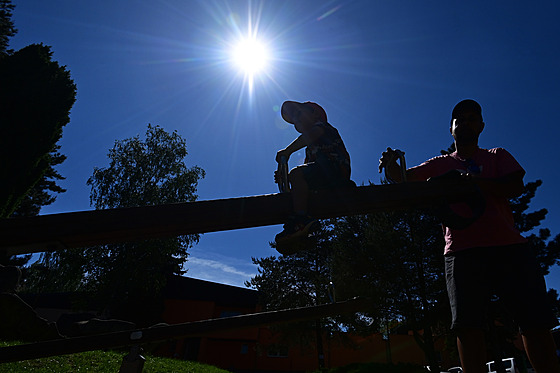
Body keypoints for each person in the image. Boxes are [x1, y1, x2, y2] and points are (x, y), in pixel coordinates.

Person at [378, 99, 560, 373]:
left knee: (534, 323)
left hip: (509, 247)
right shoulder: (439, 164)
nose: (465, 123)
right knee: (467, 326)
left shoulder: (497, 155)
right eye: (459, 120)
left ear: (482, 126)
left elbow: (514, 185)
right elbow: (402, 177)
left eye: (471, 119)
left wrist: (471, 183)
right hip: (462, 251)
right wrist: (391, 164)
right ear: (450, 129)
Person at [274, 100, 351, 251]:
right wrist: (286, 179)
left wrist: (288, 151)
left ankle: (302, 218)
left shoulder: (322, 127)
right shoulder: (311, 148)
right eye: (294, 121)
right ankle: (302, 231)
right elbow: (306, 173)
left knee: (297, 174)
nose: (296, 121)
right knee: (297, 177)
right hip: (325, 175)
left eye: (298, 114)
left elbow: (311, 135)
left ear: (314, 113)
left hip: (335, 170)